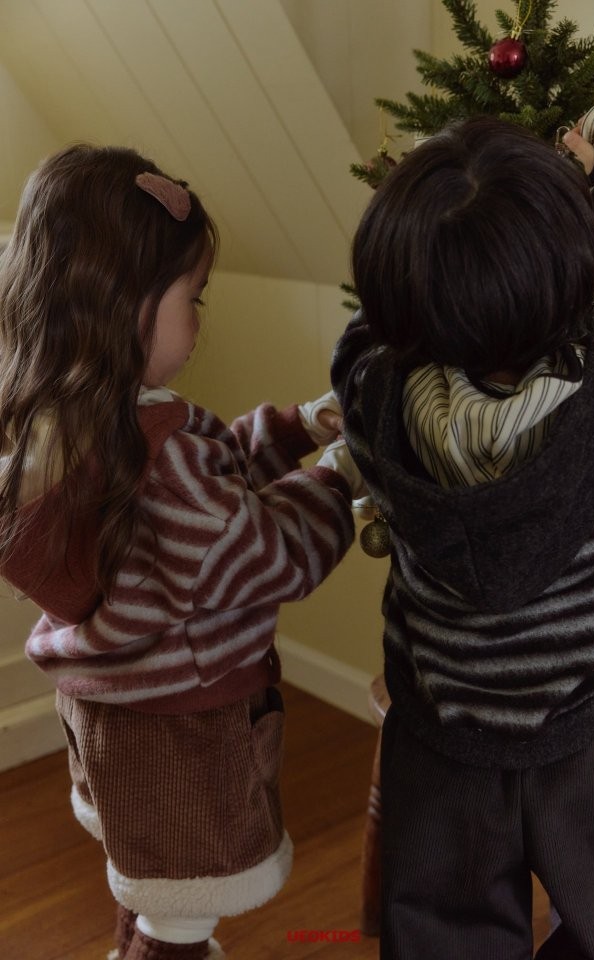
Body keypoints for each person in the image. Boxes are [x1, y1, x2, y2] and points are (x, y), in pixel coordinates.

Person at [0, 144, 363, 960]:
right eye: (192, 298)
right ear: (125, 302)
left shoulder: (72, 422)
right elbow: (264, 550)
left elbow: (206, 496)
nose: (200, 319)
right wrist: (338, 477)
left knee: (148, 880)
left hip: (114, 719)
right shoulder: (158, 450)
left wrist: (298, 427)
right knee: (182, 919)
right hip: (182, 737)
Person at [331, 102, 594, 960]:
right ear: (573, 278)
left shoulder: (376, 403)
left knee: (442, 941)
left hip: (442, 743)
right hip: (582, 731)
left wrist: (427, 230)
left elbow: (363, 338)